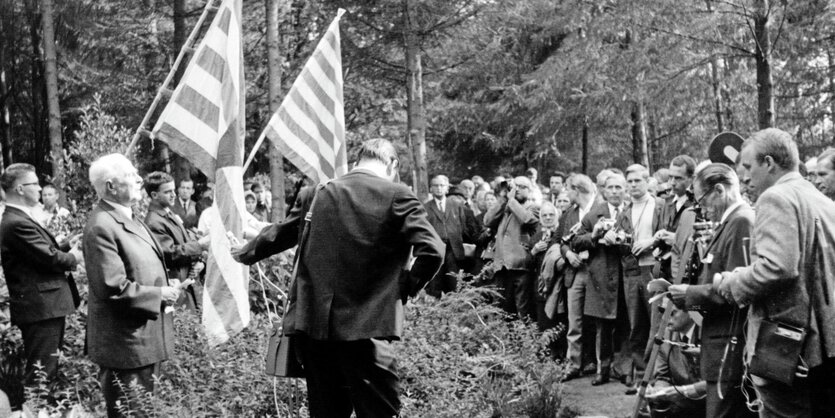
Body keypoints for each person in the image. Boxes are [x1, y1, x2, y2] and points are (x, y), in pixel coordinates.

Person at [232, 138, 444, 417]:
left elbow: (281, 234)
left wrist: (243, 252)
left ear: (358, 162)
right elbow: (433, 250)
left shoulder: (317, 193)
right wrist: (404, 288)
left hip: (316, 332)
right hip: (369, 330)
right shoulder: (398, 195)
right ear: (392, 165)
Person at [715, 128, 835, 418]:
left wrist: (732, 282)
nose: (744, 176)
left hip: (786, 349)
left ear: (768, 163)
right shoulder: (821, 200)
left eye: (747, 166)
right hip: (822, 348)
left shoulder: (775, 197)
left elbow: (777, 268)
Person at [83, 154, 180, 417]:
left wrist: (166, 284)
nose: (139, 179)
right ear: (111, 187)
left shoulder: (129, 216)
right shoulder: (101, 225)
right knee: (131, 411)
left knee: (142, 411)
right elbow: (112, 288)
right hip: (125, 345)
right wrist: (160, 294)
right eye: (131, 175)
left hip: (142, 339)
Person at [668, 163, 756, 417]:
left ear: (719, 190)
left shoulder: (741, 221)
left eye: (702, 200)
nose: (702, 209)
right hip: (719, 343)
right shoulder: (728, 223)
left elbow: (736, 291)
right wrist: (690, 317)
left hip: (729, 345)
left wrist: (689, 296)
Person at [0, 163, 82, 384]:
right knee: (41, 373)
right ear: (19, 188)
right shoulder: (15, 222)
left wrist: (65, 245)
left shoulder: (19, 217)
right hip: (41, 308)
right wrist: (74, 256)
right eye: (34, 184)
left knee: (47, 368)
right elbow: (49, 259)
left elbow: (38, 254)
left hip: (46, 307)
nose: (39, 189)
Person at [611, 163, 664, 392]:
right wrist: (613, 237)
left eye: (637, 181)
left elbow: (670, 234)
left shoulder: (659, 206)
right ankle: (641, 376)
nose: (633, 186)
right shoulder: (624, 212)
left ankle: (656, 377)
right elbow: (619, 239)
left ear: (647, 181)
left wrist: (651, 241)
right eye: (629, 182)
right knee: (636, 325)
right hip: (631, 272)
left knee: (656, 324)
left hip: (654, 269)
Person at [572, 173, 627, 386]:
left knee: (624, 324)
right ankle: (602, 368)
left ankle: (623, 369)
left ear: (625, 191)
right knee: (602, 326)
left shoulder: (630, 212)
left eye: (618, 188)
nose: (614, 191)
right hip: (601, 276)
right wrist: (596, 237)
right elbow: (576, 241)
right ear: (603, 191)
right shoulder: (594, 214)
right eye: (610, 188)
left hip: (624, 274)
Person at [143, 171, 209, 312]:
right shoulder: (153, 221)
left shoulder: (168, 213)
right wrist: (200, 245)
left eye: (173, 190)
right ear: (154, 195)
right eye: (168, 192)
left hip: (188, 284)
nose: (174, 195)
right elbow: (170, 253)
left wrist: (200, 260)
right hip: (175, 289)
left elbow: (185, 240)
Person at [557, 173, 597, 381]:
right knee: (574, 319)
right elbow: (561, 241)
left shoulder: (599, 208)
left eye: (568, 189)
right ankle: (573, 363)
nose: (566, 193)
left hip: (596, 269)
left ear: (577, 190)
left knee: (594, 318)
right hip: (575, 271)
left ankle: (591, 361)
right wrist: (568, 254)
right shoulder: (570, 213)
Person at [483, 176, 539, 321]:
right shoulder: (506, 206)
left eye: (521, 186)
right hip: (502, 266)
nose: (516, 189)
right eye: (514, 186)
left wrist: (512, 200)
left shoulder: (533, 206)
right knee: (502, 310)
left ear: (530, 190)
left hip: (521, 265)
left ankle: (526, 341)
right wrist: (502, 199)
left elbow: (528, 220)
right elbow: (487, 220)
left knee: (523, 308)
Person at [645, 304, 706, 418]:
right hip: (684, 401)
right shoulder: (664, 336)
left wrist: (682, 391)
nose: (665, 317)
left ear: (691, 312)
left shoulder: (709, 334)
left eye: (672, 313)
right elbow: (663, 376)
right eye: (663, 312)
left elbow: (718, 384)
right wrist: (659, 391)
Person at [424, 175, 476, 296]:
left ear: (447, 188)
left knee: (455, 285)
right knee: (435, 286)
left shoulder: (456, 206)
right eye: (435, 186)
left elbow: (464, 228)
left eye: (442, 185)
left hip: (454, 251)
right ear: (431, 189)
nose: (439, 188)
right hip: (435, 252)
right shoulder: (425, 208)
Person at [654, 155, 697, 282]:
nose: (672, 182)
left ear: (692, 179)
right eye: (670, 177)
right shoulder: (667, 203)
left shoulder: (697, 205)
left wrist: (677, 240)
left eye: (678, 178)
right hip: (664, 273)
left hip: (685, 274)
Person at [530, 201, 564, 359]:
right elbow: (528, 264)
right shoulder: (536, 237)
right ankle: (546, 356)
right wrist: (534, 250)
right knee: (543, 322)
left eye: (551, 214)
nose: (548, 218)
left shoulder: (562, 234)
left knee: (559, 321)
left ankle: (559, 356)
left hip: (560, 285)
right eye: (545, 215)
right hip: (541, 287)